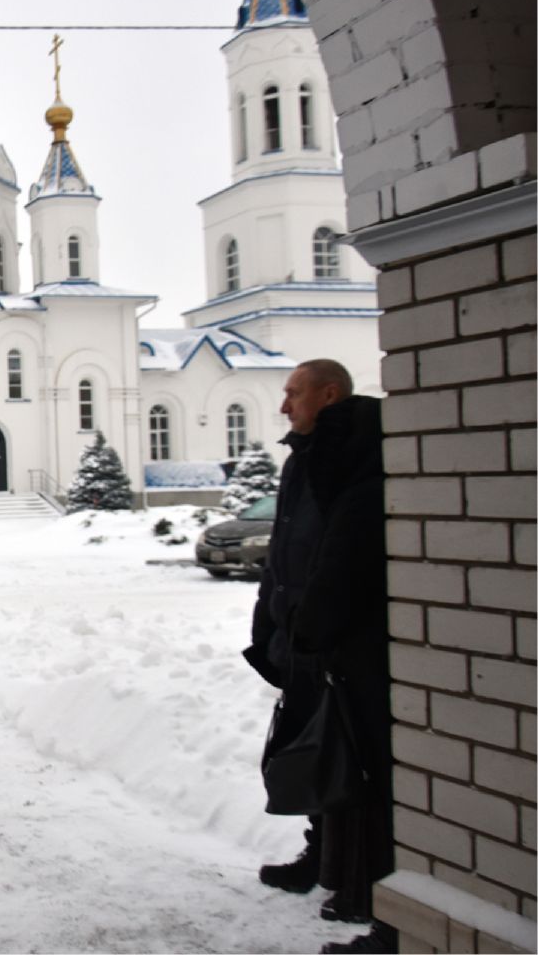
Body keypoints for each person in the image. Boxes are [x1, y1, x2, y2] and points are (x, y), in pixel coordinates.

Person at [245, 360, 395, 954]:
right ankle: (322, 855)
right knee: (313, 748)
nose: (284, 406)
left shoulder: (350, 456)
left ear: (328, 395)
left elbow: (342, 555)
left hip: (337, 642)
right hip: (302, 637)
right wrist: (268, 622)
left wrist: (312, 625)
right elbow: (286, 548)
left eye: (294, 394)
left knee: (349, 760)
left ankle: (367, 886)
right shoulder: (304, 457)